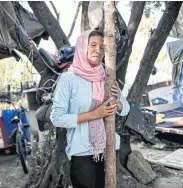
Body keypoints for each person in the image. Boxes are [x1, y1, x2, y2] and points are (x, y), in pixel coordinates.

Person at [50, 29, 130, 188]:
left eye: (102, 47)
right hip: (82, 151)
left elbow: (125, 109)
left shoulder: (106, 77)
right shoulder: (69, 79)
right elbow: (56, 118)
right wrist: (94, 114)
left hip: (108, 148)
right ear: (81, 47)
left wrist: (118, 102)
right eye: (93, 45)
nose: (98, 50)